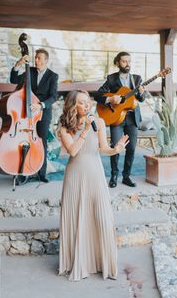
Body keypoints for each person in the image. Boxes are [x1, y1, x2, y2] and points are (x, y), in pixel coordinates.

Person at [58, 90, 129, 281]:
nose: (87, 105)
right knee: (77, 217)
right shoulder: (65, 127)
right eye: (82, 102)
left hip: (95, 173)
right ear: (73, 106)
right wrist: (85, 130)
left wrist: (116, 149)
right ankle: (79, 263)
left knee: (103, 217)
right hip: (75, 175)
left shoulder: (99, 122)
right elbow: (73, 151)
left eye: (88, 101)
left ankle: (103, 263)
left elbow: (103, 149)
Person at [94, 51, 145, 188]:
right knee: (115, 147)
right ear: (118, 63)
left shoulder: (137, 78)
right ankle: (114, 175)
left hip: (132, 118)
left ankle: (126, 176)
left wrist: (141, 93)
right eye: (124, 61)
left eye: (129, 61)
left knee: (132, 148)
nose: (127, 64)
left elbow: (141, 99)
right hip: (116, 117)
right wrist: (110, 99)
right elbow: (97, 95)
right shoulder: (111, 79)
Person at [10, 48, 58, 182]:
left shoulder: (53, 76)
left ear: (46, 61)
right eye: (35, 57)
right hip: (27, 112)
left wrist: (41, 105)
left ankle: (41, 173)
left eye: (39, 58)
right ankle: (22, 170)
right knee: (23, 140)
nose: (36, 60)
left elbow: (53, 97)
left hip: (42, 113)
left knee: (41, 142)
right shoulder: (29, 71)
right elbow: (14, 80)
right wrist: (17, 65)